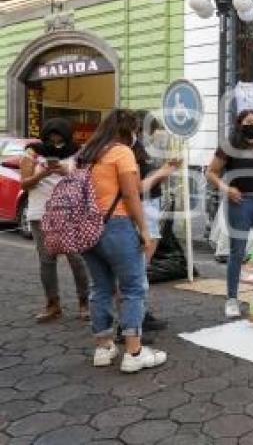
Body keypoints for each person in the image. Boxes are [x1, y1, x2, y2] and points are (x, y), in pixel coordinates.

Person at [76, 109, 166, 373]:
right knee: (132, 289)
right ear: (128, 130)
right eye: (136, 130)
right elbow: (131, 195)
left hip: (87, 228)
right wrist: (144, 230)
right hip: (116, 226)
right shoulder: (121, 152)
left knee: (100, 288)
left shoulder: (86, 154)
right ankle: (134, 352)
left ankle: (103, 348)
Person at [206, 110, 253, 319]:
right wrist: (226, 188)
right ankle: (231, 299)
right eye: (248, 121)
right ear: (240, 124)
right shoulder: (230, 144)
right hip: (240, 203)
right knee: (237, 252)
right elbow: (210, 172)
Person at [20, 119, 89, 323]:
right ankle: (53, 305)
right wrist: (44, 173)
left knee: (76, 258)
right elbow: (24, 184)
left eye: (59, 137)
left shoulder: (77, 152)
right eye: (51, 137)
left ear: (67, 136)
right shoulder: (32, 152)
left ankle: (84, 302)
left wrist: (65, 171)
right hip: (40, 213)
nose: (55, 141)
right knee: (47, 261)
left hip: (69, 213)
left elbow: (86, 181)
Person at [123, 111, 180, 337]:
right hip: (142, 208)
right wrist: (164, 172)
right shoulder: (130, 152)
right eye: (153, 132)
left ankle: (140, 315)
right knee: (136, 270)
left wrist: (166, 171)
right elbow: (137, 188)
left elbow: (150, 181)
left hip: (150, 207)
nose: (156, 137)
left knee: (141, 269)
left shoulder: (141, 151)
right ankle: (130, 323)